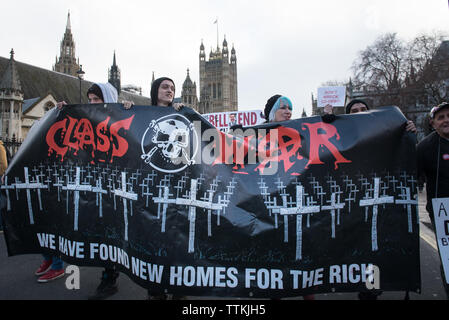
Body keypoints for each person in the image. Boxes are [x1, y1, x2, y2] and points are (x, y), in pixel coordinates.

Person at [324, 99, 416, 300]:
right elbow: (324, 148)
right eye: (354, 111)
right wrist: (327, 121)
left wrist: (408, 133)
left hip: (376, 199)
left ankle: (372, 288)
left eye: (363, 110)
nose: (359, 113)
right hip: (351, 203)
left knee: (376, 245)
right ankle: (366, 289)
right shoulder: (343, 136)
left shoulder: (381, 133)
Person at [56, 82, 125, 297]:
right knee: (103, 235)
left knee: (116, 236)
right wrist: (62, 111)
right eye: (91, 99)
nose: (93, 103)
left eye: (97, 99)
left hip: (117, 188)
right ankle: (107, 277)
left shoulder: (119, 121)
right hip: (95, 187)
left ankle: (113, 277)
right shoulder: (85, 120)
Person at [263, 94, 314, 300]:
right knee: (273, 267)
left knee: (304, 266)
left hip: (296, 205)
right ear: (271, 112)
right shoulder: (256, 136)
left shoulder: (301, 134)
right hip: (270, 209)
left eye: (290, 108)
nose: (288, 111)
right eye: (283, 107)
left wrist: (332, 119)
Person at [417, 102, 449, 298]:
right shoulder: (425, 147)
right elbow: (410, 175)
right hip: (443, 212)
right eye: (441, 117)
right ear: (433, 123)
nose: (446, 120)